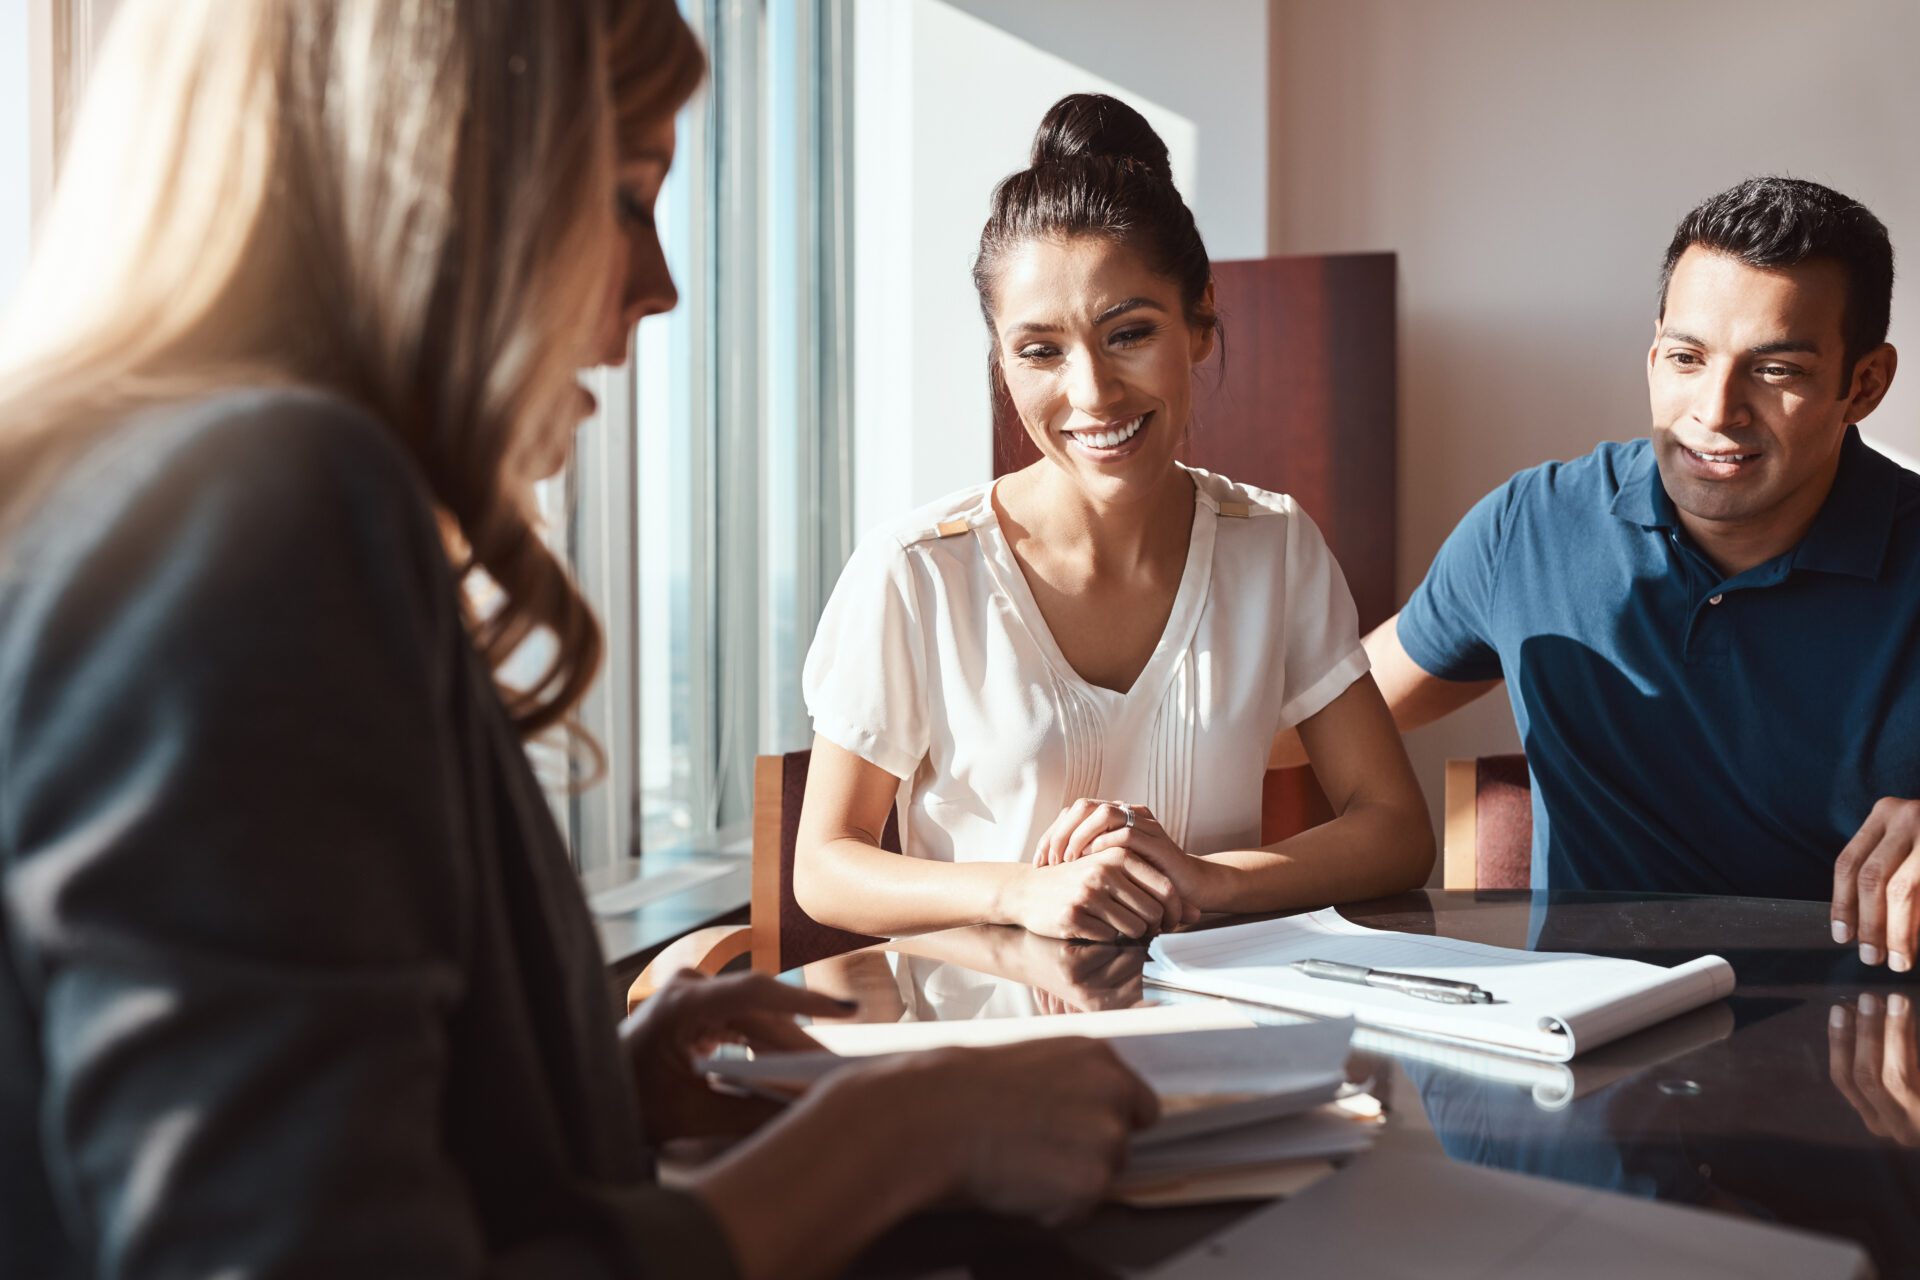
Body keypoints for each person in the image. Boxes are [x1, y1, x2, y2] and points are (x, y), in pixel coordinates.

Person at [0, 4, 1161, 1278]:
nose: (658, 287)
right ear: (430, 186)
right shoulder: (258, 509)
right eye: (624, 195)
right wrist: (898, 1136)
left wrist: (595, 1086)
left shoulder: (162, 500)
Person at [795, 94, 1433, 944]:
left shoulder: (1271, 546)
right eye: (1039, 350)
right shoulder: (917, 571)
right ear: (1001, 358)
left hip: (1216, 1046)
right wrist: (1022, 893)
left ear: (1200, 321)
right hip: (987, 1055)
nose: (1091, 393)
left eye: (1127, 333)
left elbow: (1395, 827)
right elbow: (824, 864)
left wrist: (1208, 883)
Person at [1274, 177, 1919, 972]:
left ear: (1865, 384)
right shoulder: (1532, 527)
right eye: (1687, 357)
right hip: (1590, 1056)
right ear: (1654, 355)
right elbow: (1310, 718)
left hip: (1861, 1061)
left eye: (1776, 370)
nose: (1716, 409)